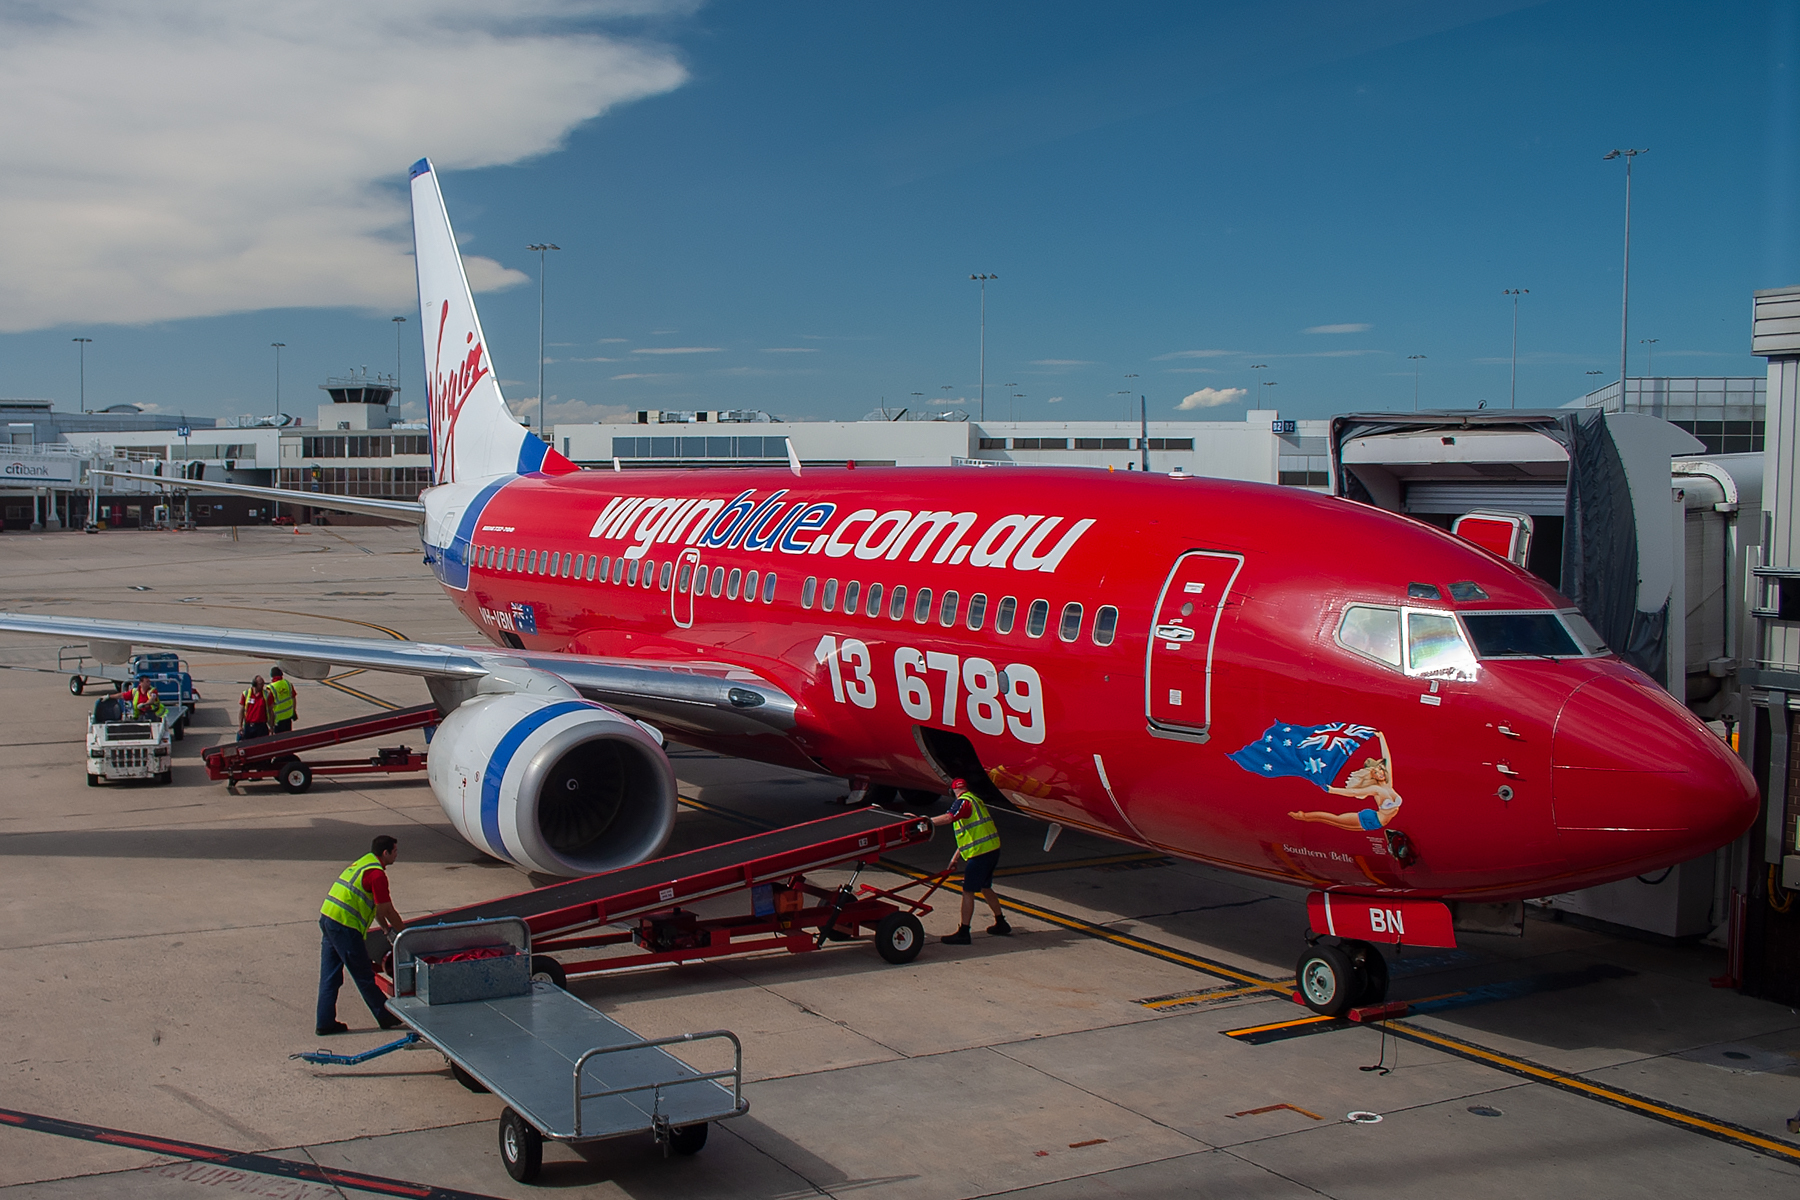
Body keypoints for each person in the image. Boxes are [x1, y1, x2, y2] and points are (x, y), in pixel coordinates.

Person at [317, 835, 406, 1035]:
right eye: (395, 851)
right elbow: (387, 910)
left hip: (329, 918)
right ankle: (385, 1016)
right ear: (386, 853)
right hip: (344, 926)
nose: (397, 855)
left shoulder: (364, 863)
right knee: (364, 974)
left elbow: (377, 910)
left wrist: (385, 929)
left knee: (330, 976)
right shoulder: (377, 875)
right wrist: (406, 935)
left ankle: (324, 1022)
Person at [929, 777, 1011, 944]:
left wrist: (926, 822)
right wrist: (955, 857)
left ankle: (964, 932)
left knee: (968, 891)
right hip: (991, 849)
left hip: (980, 854)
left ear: (952, 791)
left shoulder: (962, 803)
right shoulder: (975, 800)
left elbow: (948, 818)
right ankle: (1001, 922)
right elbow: (971, 833)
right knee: (986, 887)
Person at [1288, 731, 1403, 831]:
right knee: (1334, 819)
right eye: (1376, 772)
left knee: (1335, 820)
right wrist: (1332, 790)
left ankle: (1303, 816)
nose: (1380, 773)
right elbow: (1353, 792)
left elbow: (1387, 759)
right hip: (1372, 819)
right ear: (1373, 777)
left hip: (1378, 822)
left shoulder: (1388, 784)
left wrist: (1381, 738)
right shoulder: (1375, 789)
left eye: (1380, 770)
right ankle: (1303, 816)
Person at [267, 667, 297, 734]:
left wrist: (271, 725)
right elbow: (294, 698)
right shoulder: (287, 683)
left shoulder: (271, 688)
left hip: (278, 719)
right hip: (288, 716)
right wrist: (293, 711)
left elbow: (270, 708)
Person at [239, 675, 270, 741]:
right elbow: (242, 710)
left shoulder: (266, 694)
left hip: (261, 726)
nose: (262, 686)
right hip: (249, 726)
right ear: (255, 684)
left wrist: (271, 726)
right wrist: (240, 726)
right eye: (260, 684)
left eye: (263, 684)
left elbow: (270, 711)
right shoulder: (246, 694)